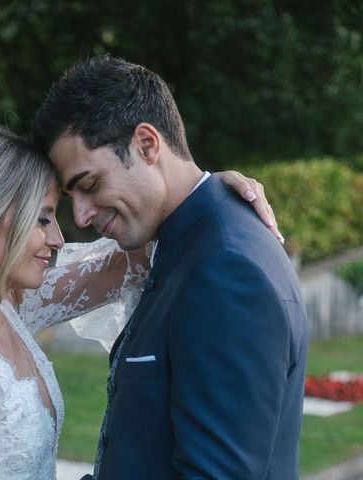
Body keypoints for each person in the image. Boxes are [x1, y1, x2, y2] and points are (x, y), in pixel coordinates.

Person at [0, 122, 283, 480]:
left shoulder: (12, 307)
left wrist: (209, 194)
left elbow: (135, 258)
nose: (59, 239)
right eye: (43, 218)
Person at [32, 54, 308, 479]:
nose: (82, 216)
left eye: (89, 185)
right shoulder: (175, 243)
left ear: (147, 144)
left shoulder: (225, 271)